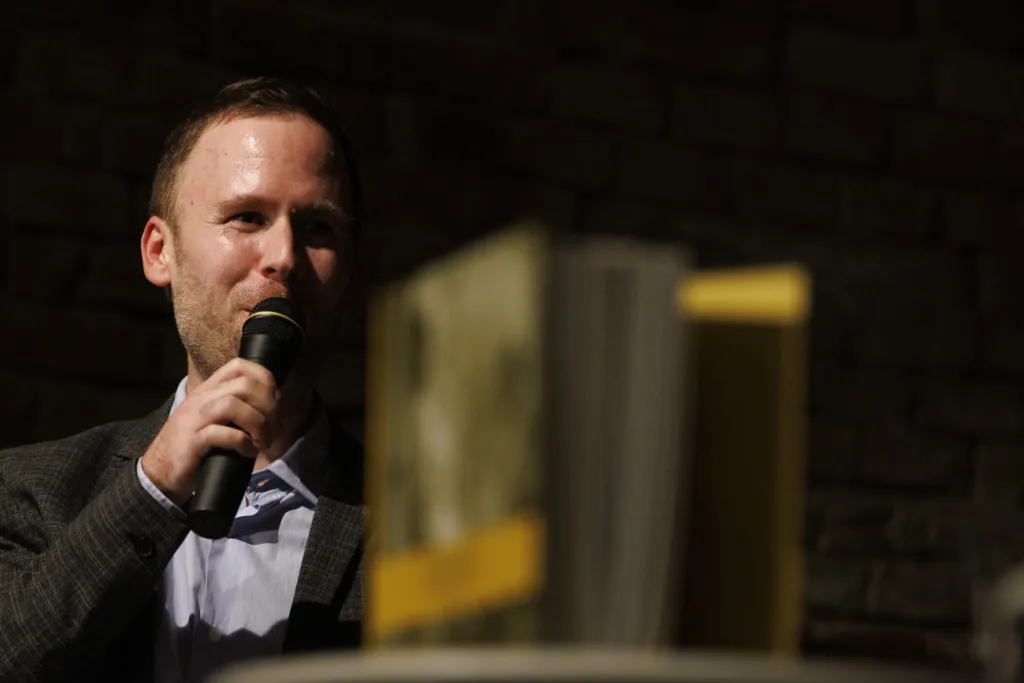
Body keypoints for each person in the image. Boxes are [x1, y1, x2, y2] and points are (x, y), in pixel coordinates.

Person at [0, 77, 367, 683]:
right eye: (247, 217)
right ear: (159, 252)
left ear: (350, 268)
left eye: (318, 227)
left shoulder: (415, 525)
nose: (284, 255)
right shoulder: (31, 493)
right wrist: (153, 489)